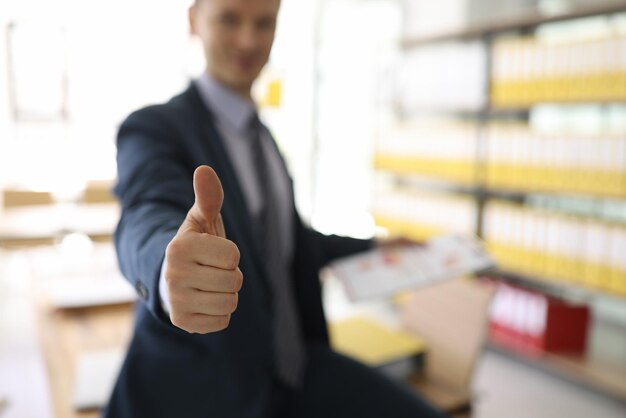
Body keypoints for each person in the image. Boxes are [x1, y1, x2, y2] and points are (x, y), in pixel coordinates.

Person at [107, 0, 447, 417]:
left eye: (264, 23)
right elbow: (146, 212)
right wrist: (166, 270)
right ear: (194, 20)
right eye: (230, 19)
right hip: (202, 389)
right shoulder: (154, 128)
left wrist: (374, 246)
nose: (249, 39)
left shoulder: (263, 138)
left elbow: (285, 244)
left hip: (293, 366)